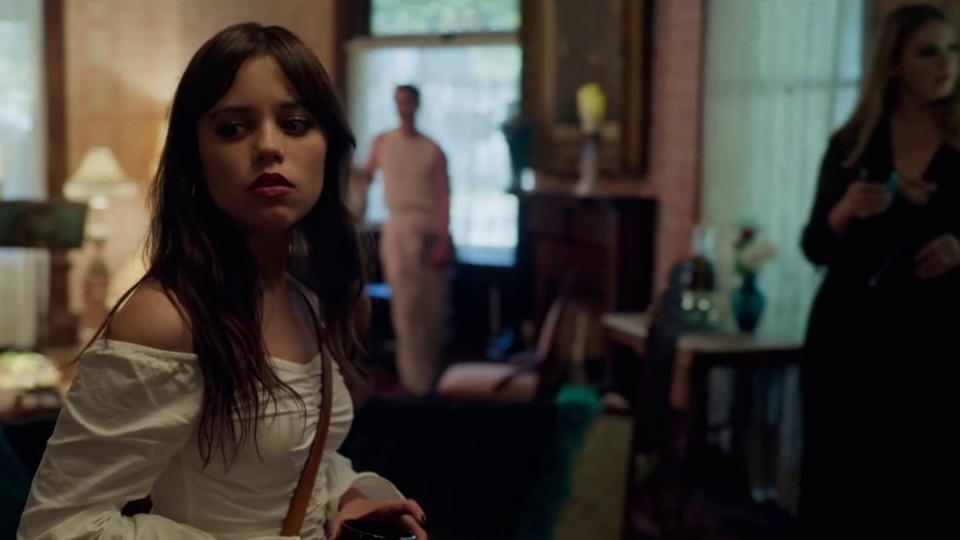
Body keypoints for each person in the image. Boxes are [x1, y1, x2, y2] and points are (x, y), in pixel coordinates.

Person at [18, 23, 427, 540]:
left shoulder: (305, 300)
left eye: (295, 123)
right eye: (233, 128)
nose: (268, 147)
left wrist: (349, 496)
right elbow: (57, 526)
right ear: (196, 157)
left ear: (328, 145)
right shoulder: (167, 318)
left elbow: (297, 462)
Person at [800, 5, 960, 536]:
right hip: (851, 335)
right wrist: (844, 212)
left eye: (953, 49)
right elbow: (814, 247)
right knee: (842, 485)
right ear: (893, 65)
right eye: (928, 52)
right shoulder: (852, 146)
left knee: (925, 486)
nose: (946, 64)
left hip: (936, 342)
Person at [358, 84, 453, 396]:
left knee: (432, 309)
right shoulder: (383, 142)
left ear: (417, 105)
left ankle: (433, 379)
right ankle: (414, 382)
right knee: (406, 308)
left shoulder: (433, 149)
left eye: (408, 102)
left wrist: (444, 238)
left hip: (429, 228)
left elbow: (444, 196)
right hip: (398, 228)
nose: (403, 108)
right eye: (398, 102)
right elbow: (365, 177)